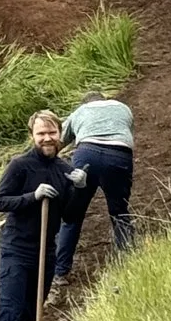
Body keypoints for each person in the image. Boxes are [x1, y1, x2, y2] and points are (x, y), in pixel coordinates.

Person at [0, 112, 89, 321]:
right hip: (16, 249)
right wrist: (33, 196)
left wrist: (79, 189)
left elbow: (71, 216)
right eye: (41, 133)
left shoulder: (64, 170)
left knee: (32, 312)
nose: (47, 138)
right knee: (11, 310)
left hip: (46, 251)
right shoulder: (20, 166)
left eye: (51, 133)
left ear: (60, 134)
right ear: (32, 136)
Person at [51, 88, 136, 301]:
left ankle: (60, 271)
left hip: (86, 153)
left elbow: (58, 142)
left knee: (72, 216)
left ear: (85, 102)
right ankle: (128, 260)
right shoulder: (122, 108)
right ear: (103, 99)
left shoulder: (79, 111)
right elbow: (127, 132)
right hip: (119, 154)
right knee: (119, 211)